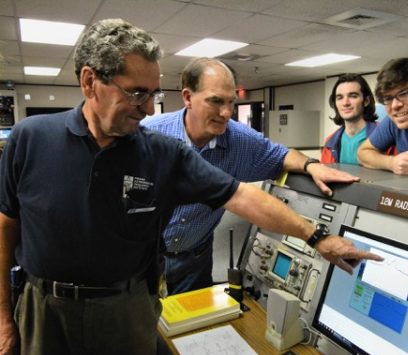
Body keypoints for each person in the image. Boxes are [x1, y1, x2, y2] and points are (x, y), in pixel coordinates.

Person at [0, 19, 382, 355]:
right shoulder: (30, 138)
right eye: (136, 93)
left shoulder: (161, 152)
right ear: (89, 82)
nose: (148, 109)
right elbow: (5, 228)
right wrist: (3, 316)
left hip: (127, 308)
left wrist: (316, 237)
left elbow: (241, 195)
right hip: (43, 308)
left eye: (152, 94)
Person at [142, 58, 361, 295]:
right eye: (215, 101)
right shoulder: (149, 134)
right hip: (143, 255)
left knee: (193, 326)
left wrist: (310, 166)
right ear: (187, 97)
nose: (226, 113)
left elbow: (279, 156)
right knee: (144, 324)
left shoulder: (238, 140)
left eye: (231, 102)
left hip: (194, 258)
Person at [321, 73, 379, 165]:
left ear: (366, 101)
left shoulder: (384, 135)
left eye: (353, 96)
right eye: (339, 98)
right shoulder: (329, 142)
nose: (345, 103)